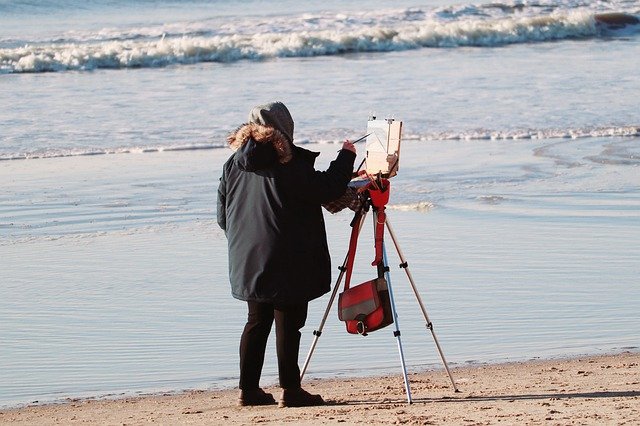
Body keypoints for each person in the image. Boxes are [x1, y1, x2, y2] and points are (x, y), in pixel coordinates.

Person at [217, 101, 356, 407]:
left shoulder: (231, 165)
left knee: (256, 321)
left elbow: (222, 216)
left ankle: (248, 391)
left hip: (248, 257)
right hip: (288, 257)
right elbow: (328, 188)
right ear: (284, 129)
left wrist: (244, 242)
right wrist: (347, 155)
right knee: (288, 323)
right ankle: (291, 390)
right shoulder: (288, 163)